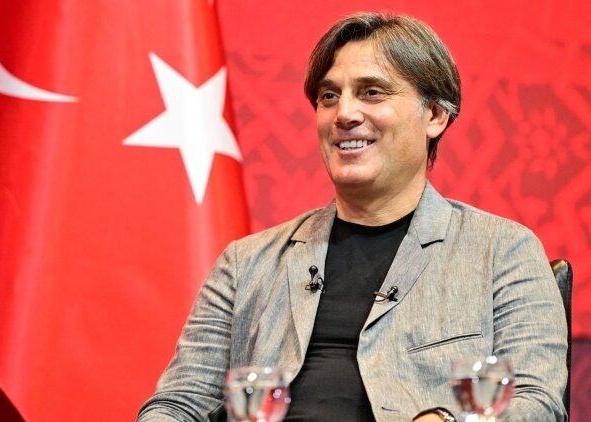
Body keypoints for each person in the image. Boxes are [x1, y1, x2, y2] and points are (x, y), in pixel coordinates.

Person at [137, 12, 568, 422]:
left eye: (372, 92)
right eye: (329, 96)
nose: (343, 114)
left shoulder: (502, 252)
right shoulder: (245, 264)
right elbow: (177, 405)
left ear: (435, 115)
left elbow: (536, 403)